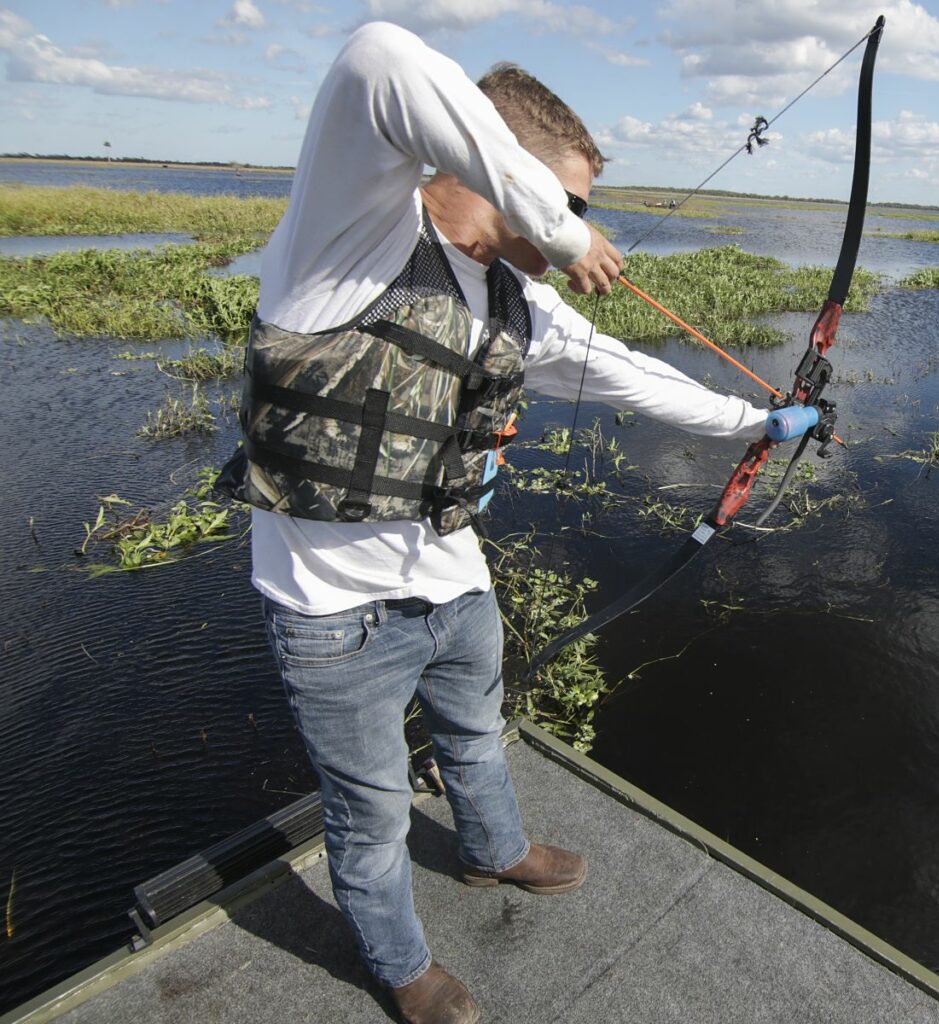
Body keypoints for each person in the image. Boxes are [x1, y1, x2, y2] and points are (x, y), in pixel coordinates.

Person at [219, 21, 767, 1024]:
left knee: (478, 739)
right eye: (571, 198)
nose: (581, 223)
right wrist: (561, 228)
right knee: (374, 815)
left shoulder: (518, 301)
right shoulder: (348, 237)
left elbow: (631, 376)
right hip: (334, 614)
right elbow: (376, 55)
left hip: (455, 582)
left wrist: (759, 420)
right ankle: (399, 966)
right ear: (506, 167)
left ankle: (494, 851)